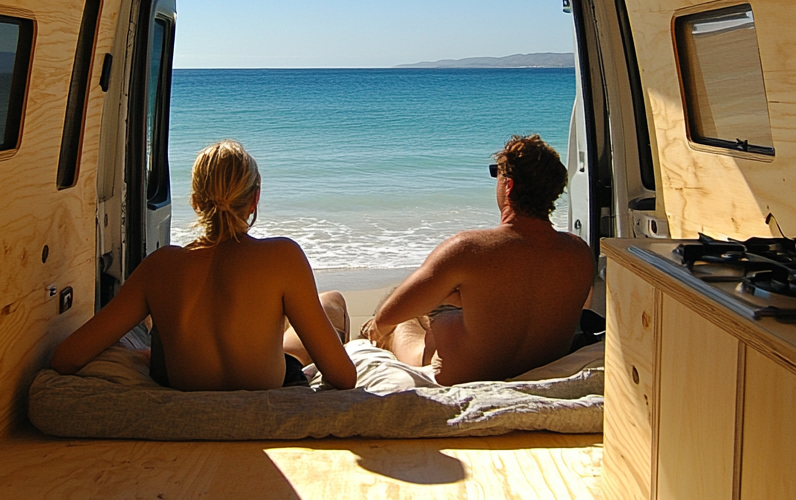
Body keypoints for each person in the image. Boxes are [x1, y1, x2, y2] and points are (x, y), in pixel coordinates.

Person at [51, 140, 356, 391]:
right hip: (268, 386)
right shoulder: (283, 257)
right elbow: (343, 378)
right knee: (332, 302)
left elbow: (67, 359)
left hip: (186, 384)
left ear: (195, 201)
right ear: (254, 200)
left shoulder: (159, 267)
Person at [359, 133, 594, 384]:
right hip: (536, 365)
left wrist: (379, 327)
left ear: (509, 185)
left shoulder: (469, 249)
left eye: (498, 173)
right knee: (446, 301)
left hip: (461, 373)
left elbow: (388, 316)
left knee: (398, 318)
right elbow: (538, 301)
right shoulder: (579, 252)